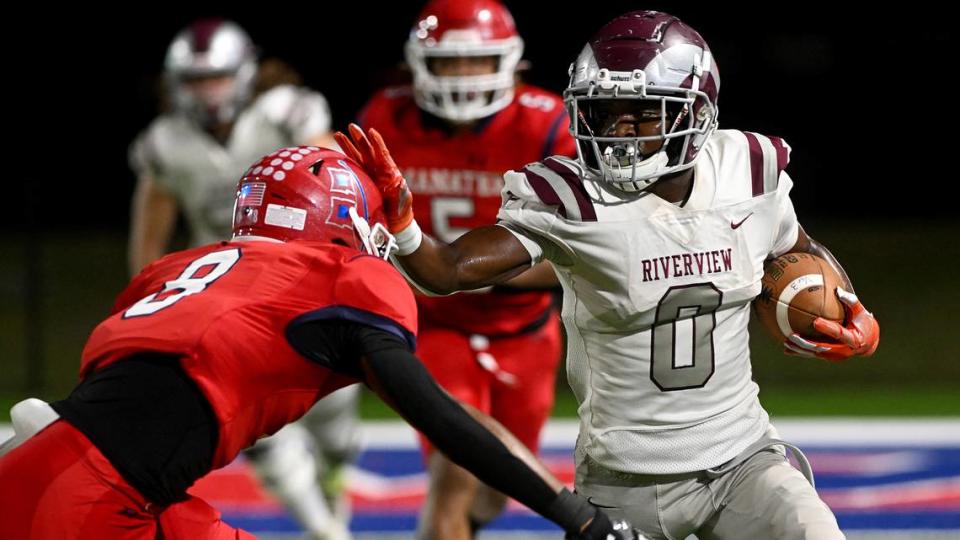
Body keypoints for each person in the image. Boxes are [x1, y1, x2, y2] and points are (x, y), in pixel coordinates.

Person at [336, 10, 880, 540]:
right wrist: (404, 227)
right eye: (604, 113)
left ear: (695, 114)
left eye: (641, 113)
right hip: (625, 481)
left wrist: (848, 304)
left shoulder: (748, 169)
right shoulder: (573, 197)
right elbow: (448, 270)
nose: (618, 133)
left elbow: (797, 247)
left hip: (743, 460)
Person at [0, 146, 637, 540]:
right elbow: (443, 418)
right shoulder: (342, 278)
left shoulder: (173, 272)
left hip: (50, 459)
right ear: (342, 220)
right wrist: (574, 516)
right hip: (93, 499)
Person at [356, 0, 574, 537]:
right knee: (454, 467)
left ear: (510, 61)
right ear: (419, 64)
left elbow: (585, 253)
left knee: (495, 491)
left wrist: (472, 268)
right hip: (435, 325)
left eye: (475, 61)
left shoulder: (549, 123)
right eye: (449, 62)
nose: (461, 76)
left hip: (523, 329)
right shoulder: (386, 115)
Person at [127, 19, 351, 538]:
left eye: (218, 77)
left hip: (304, 280)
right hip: (228, 293)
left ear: (246, 74)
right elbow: (150, 236)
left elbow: (334, 182)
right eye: (196, 80)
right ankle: (327, 533)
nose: (208, 93)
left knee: (333, 426)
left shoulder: (288, 114)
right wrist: (150, 296)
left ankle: (334, 480)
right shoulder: (166, 143)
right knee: (254, 425)